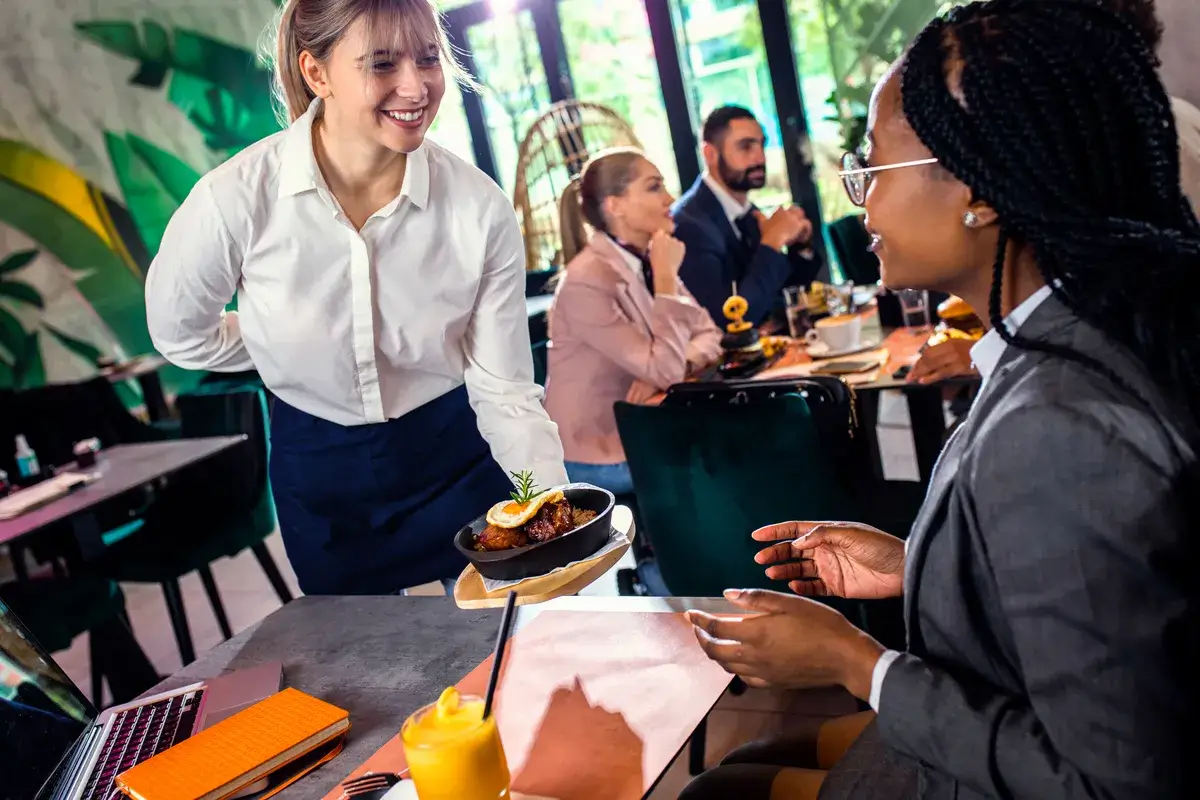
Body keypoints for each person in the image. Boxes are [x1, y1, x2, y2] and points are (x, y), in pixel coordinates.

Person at [682, 1, 1199, 798]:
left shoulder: (1056, 429)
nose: (861, 199)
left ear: (978, 188)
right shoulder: (1096, 325)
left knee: (719, 791)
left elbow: (1110, 784)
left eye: (873, 166)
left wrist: (854, 662)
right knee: (748, 764)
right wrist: (916, 561)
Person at [144, 0, 567, 596]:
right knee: (359, 652)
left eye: (428, 59)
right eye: (382, 63)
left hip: (455, 454)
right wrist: (290, 348)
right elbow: (181, 334)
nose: (415, 87)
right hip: (321, 474)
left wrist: (553, 510)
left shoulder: (479, 208)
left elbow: (505, 391)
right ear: (316, 72)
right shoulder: (233, 199)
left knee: (504, 639)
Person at [544, 149, 722, 494]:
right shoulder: (586, 280)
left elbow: (710, 333)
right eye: (654, 187)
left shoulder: (645, 257)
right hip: (597, 456)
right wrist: (666, 280)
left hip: (647, 427)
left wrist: (678, 362)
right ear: (615, 206)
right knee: (726, 456)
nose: (670, 198)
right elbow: (666, 371)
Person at [672, 106, 824, 328]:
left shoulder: (748, 211)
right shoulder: (688, 225)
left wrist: (800, 246)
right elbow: (731, 320)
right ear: (710, 154)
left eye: (762, 145)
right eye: (745, 147)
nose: (760, 157)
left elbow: (780, 295)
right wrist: (772, 243)